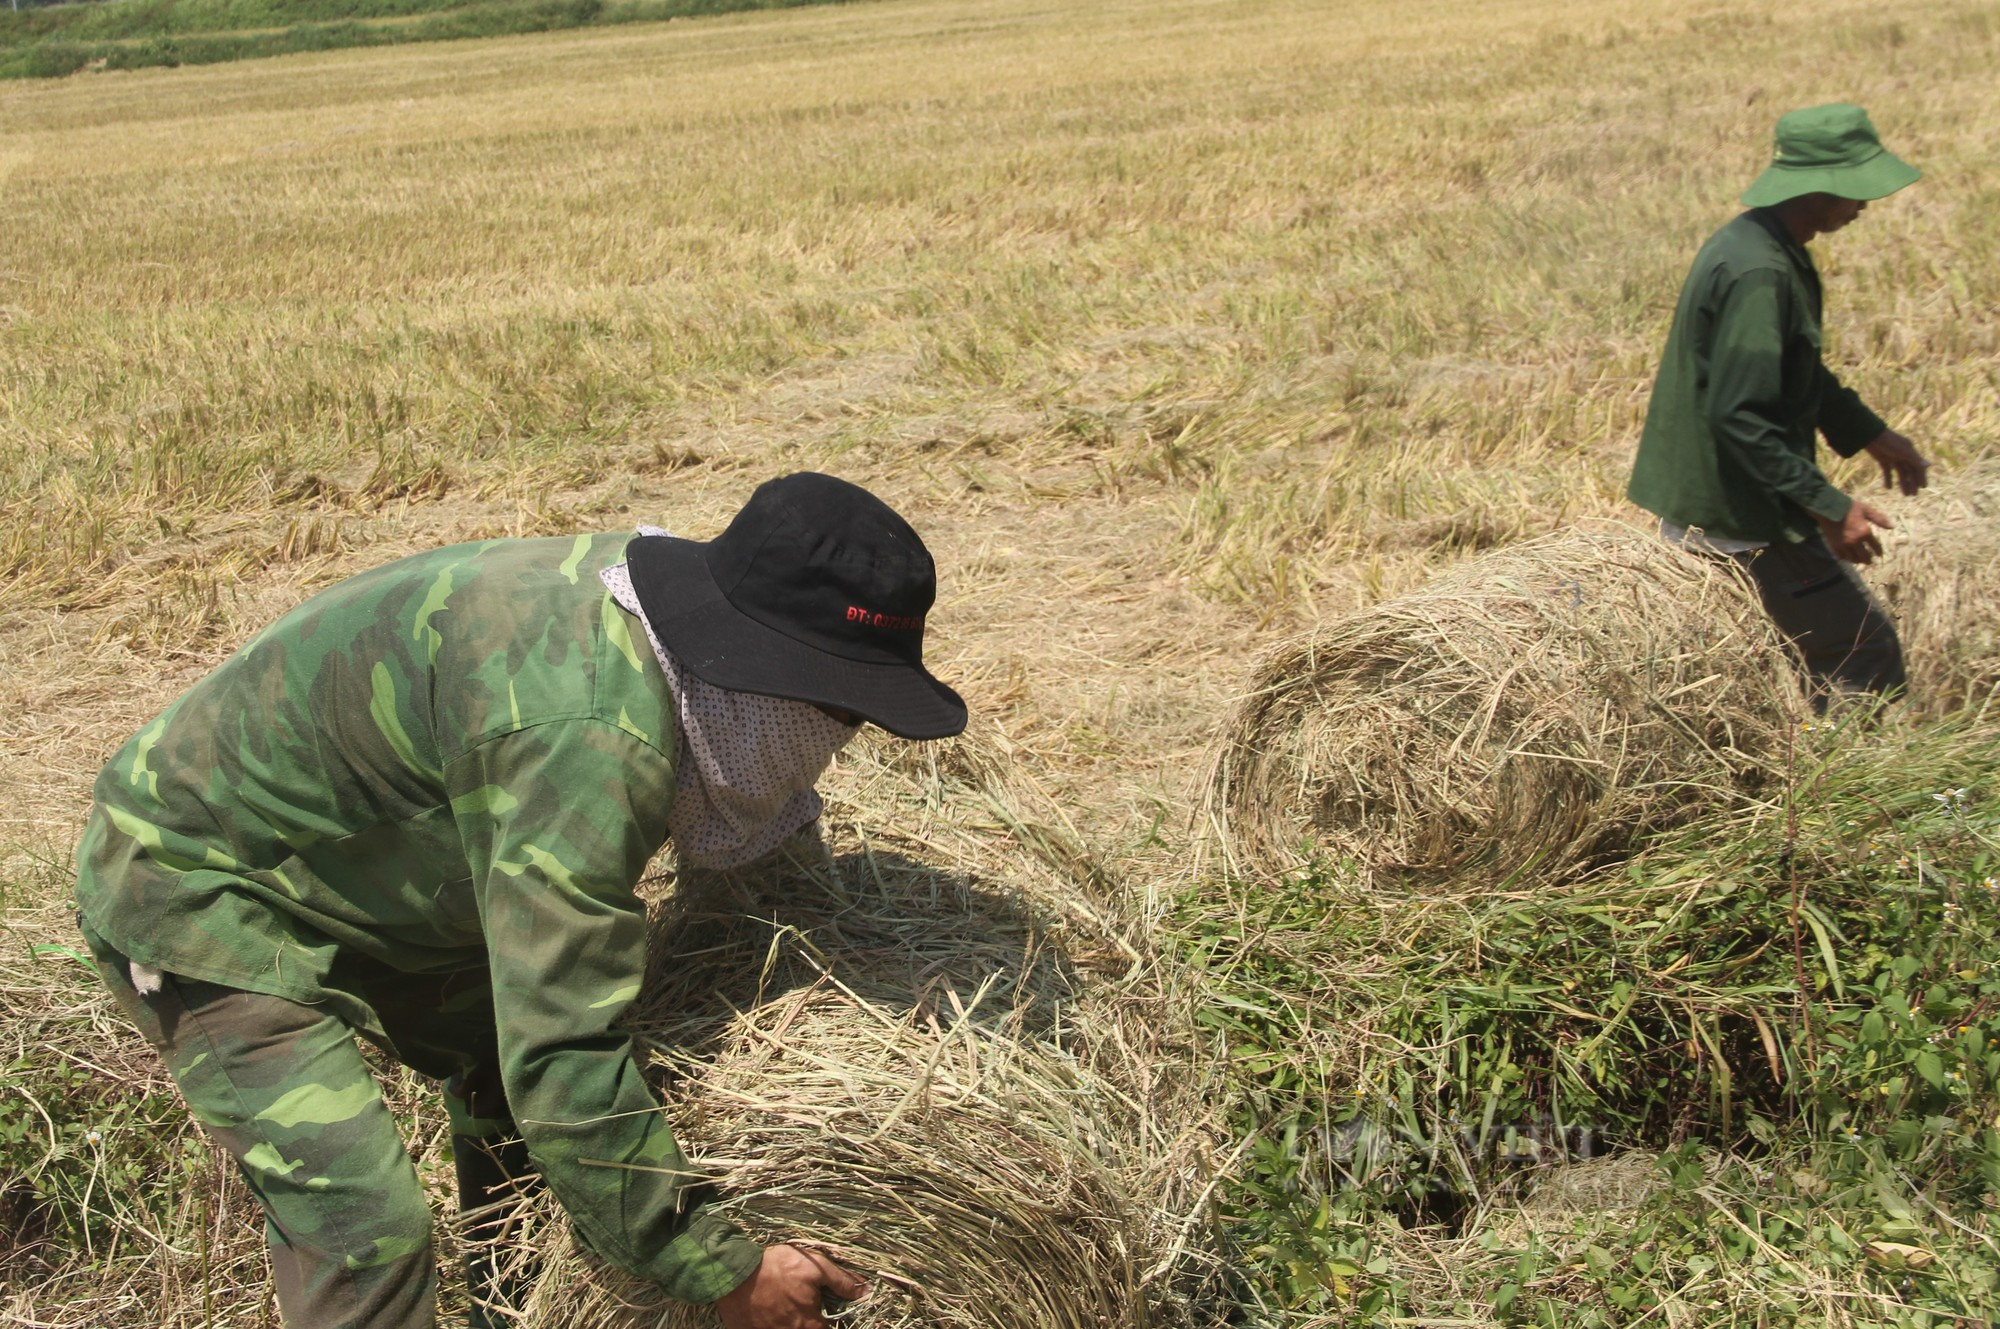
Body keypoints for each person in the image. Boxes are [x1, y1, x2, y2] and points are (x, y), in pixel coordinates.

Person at [72, 472, 968, 1329]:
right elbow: (563, 1048)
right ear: (756, 676)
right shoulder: (589, 743)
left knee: (508, 1095)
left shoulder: (669, 626)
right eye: (839, 712)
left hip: (378, 848)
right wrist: (725, 1271)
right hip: (194, 875)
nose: (837, 742)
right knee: (366, 1226)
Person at [1627, 103, 1933, 702]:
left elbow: (1795, 372)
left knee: (1800, 655)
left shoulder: (1760, 243)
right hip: (1737, 513)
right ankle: (1836, 791)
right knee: (1863, 655)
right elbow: (1740, 416)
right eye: (1854, 190)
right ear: (1817, 188)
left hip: (1722, 496)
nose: (1864, 204)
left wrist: (1872, 433)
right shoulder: (1761, 273)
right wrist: (1829, 507)